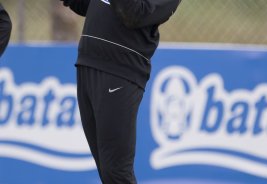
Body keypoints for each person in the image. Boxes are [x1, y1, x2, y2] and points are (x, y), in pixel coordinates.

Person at [60, 0, 181, 183]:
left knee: (116, 173)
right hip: (88, 63)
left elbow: (132, 13)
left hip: (119, 72)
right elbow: (88, 4)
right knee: (106, 171)